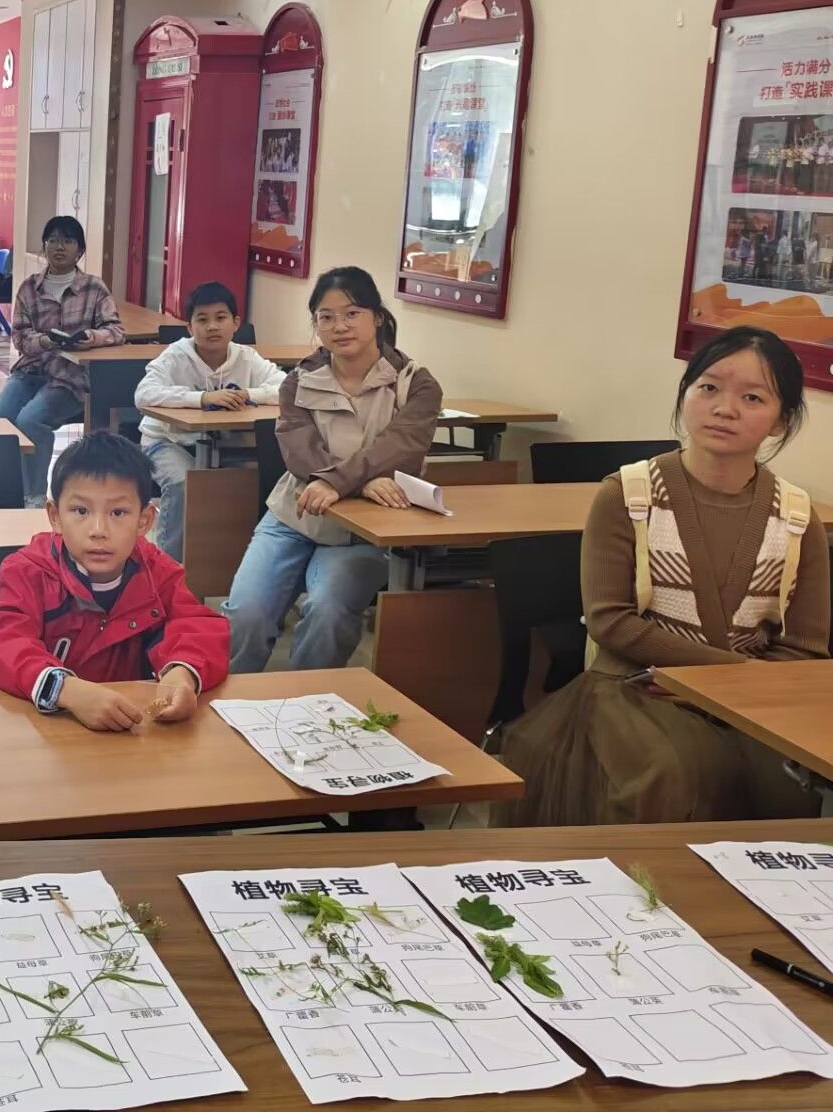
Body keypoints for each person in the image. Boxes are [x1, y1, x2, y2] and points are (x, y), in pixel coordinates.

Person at [499, 326, 826, 825]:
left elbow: (804, 647)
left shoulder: (799, 516)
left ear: (781, 421)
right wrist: (719, 678)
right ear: (685, 394)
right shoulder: (627, 494)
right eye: (708, 387)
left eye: (753, 397)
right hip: (634, 685)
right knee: (674, 774)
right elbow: (611, 622)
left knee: (788, 781)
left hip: (753, 696)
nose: (725, 408)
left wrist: (728, 687)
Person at [222, 267, 442, 672]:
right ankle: (227, 699)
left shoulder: (417, 384)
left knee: (328, 612)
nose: (340, 326)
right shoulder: (298, 381)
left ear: (377, 317)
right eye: (326, 317)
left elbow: (402, 449)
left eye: (352, 313)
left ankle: (305, 701)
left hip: (364, 530)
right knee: (246, 612)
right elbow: (300, 452)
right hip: (295, 516)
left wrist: (339, 484)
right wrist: (362, 481)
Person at [0, 432, 229, 731]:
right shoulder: (28, 571)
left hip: (132, 731)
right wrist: (66, 690)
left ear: (144, 520)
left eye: (118, 512)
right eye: (81, 511)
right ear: (55, 516)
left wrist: (182, 672)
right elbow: (3, 641)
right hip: (46, 732)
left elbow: (198, 626)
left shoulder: (157, 572)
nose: (99, 530)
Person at [135, 283, 285, 557]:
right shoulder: (176, 355)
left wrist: (248, 394)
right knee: (183, 481)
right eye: (202, 320)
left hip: (225, 444)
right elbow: (143, 394)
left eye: (220, 317)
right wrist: (202, 398)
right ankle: (167, 565)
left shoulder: (246, 357)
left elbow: (288, 389)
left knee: (251, 481)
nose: (212, 326)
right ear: (190, 327)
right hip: (166, 441)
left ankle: (225, 564)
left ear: (236, 323)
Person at [0, 215, 125, 502]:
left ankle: (34, 498)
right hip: (30, 370)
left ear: (80, 250)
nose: (59, 247)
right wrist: (43, 341)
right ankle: (7, 493)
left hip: (70, 377)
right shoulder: (29, 287)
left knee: (30, 421)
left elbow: (115, 330)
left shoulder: (94, 288)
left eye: (67, 241)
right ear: (44, 247)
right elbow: (19, 337)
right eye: (52, 240)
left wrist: (93, 337)